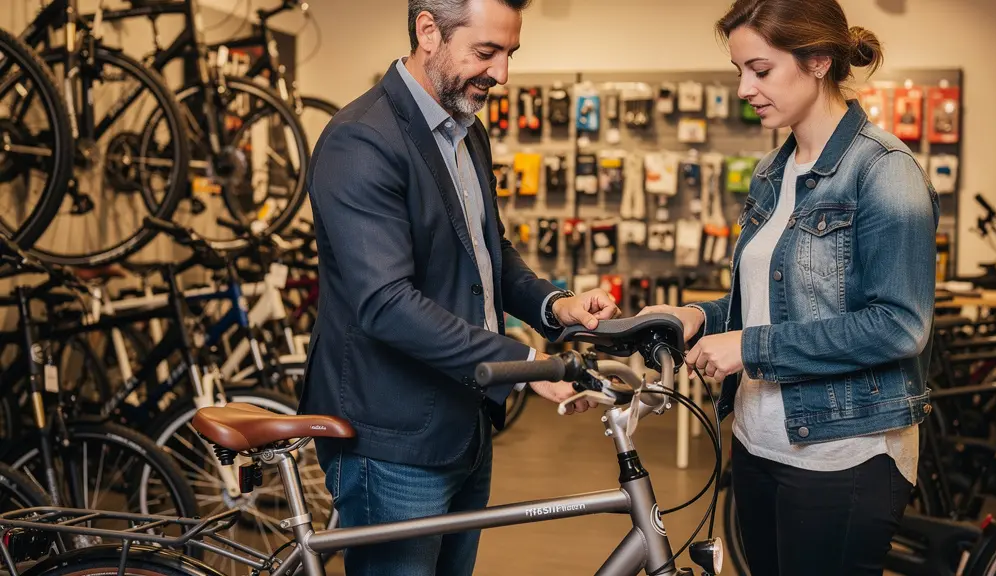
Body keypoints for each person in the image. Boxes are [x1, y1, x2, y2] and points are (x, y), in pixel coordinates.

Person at [300, 1, 620, 575]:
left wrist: (556, 306)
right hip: (391, 439)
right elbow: (384, 304)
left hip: (462, 425)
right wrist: (523, 362)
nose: (502, 75)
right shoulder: (360, 140)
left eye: (509, 54)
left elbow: (486, 255)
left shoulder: (465, 134)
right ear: (428, 31)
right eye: (486, 53)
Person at [640, 1, 939, 574]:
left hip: (842, 455)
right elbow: (781, 298)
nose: (745, 88)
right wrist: (699, 315)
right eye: (739, 71)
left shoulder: (884, 170)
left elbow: (899, 326)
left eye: (760, 69)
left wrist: (748, 346)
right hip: (759, 443)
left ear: (819, 61)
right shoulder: (773, 171)